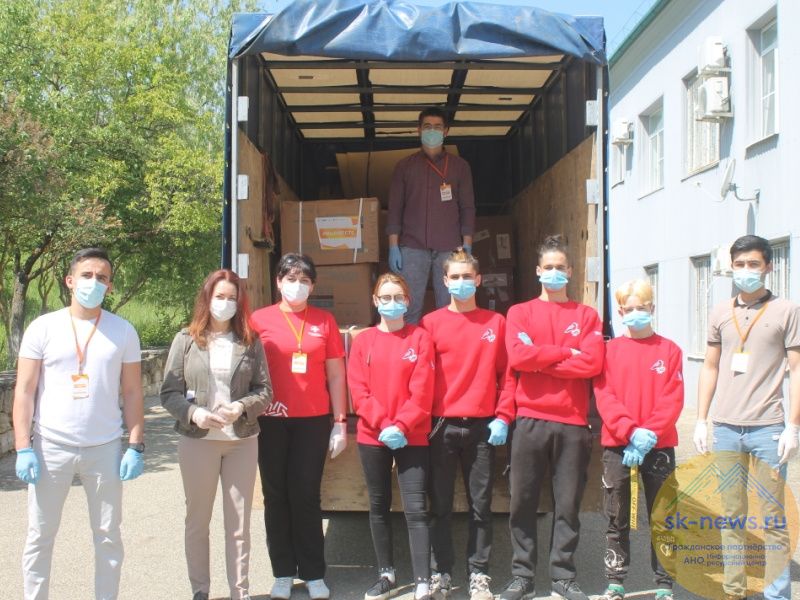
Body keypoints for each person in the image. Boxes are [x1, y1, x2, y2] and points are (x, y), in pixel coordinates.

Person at [13, 247, 144, 600]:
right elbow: (24, 390)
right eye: (87, 275)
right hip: (49, 447)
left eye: (102, 278)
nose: (93, 282)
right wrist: (23, 447)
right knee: (40, 535)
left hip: (104, 449)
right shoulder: (43, 328)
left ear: (110, 286)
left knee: (108, 536)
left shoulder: (123, 331)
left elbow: (133, 392)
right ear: (70, 280)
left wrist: (135, 445)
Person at [694, 235, 799, 600]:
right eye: (739, 264)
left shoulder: (787, 311)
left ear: (768, 266)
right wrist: (701, 419)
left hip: (768, 428)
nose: (746, 271)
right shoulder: (720, 312)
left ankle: (777, 595)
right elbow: (710, 366)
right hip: (725, 428)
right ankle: (734, 590)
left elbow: (797, 370)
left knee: (772, 519)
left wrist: (793, 426)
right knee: (731, 516)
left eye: (753, 264)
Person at [500, 235, 604, 600]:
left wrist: (540, 360)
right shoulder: (520, 313)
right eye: (549, 268)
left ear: (571, 272)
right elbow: (518, 357)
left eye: (561, 268)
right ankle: (522, 577)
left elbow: (592, 363)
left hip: (573, 423)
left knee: (568, 505)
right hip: (529, 419)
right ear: (538, 271)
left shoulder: (587, 315)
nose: (555, 273)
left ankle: (562, 577)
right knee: (522, 503)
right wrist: (565, 352)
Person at [160, 269, 272, 600]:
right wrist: (194, 413)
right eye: (219, 296)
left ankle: (240, 591)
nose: (225, 303)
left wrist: (241, 407)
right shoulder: (185, 340)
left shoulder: (250, 341)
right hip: (198, 441)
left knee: (238, 524)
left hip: (241, 441)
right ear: (207, 299)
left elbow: (265, 391)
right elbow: (169, 393)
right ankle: (200, 590)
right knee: (197, 520)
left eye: (232, 298)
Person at [249, 253, 348, 600]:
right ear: (278, 282)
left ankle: (313, 573)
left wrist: (340, 422)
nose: (297, 285)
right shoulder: (259, 320)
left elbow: (336, 374)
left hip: (312, 421)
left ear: (313, 286)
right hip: (270, 419)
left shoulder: (324, 321)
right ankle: (282, 573)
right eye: (290, 279)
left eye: (304, 280)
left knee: (305, 496)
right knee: (275, 497)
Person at [420, 249, 515, 600]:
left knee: (480, 506)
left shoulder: (496, 323)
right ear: (445, 281)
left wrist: (503, 416)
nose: (461, 282)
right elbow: (420, 378)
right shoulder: (430, 324)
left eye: (466, 277)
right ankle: (440, 573)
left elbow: (508, 375)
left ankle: (478, 574)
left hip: (482, 427)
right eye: (454, 277)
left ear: (478, 280)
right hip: (441, 426)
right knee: (439, 505)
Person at [593, 279, 683, 600]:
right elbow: (604, 396)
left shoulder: (670, 350)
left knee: (663, 515)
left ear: (652, 308)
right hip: (618, 446)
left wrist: (649, 434)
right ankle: (616, 580)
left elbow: (673, 398)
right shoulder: (608, 352)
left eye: (641, 308)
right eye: (628, 309)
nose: (635, 313)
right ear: (620, 312)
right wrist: (630, 431)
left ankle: (664, 583)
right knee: (616, 515)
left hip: (659, 446)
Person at [347, 272, 435, 600]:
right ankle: (386, 575)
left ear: (408, 301)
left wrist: (402, 425)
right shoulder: (363, 341)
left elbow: (423, 390)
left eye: (398, 297)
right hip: (373, 435)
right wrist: (384, 423)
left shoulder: (420, 339)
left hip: (413, 434)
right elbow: (359, 391)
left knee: (416, 508)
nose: (392, 303)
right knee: (378, 505)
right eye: (385, 297)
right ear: (375, 301)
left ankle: (423, 581)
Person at [387, 107, 476, 324]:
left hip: (449, 247)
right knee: (408, 305)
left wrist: (467, 245)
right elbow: (395, 208)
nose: (432, 131)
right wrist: (393, 247)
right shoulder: (404, 166)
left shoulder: (460, 167)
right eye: (427, 127)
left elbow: (467, 207)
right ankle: (409, 345)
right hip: (412, 247)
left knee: (450, 305)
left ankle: (449, 345)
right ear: (418, 130)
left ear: (446, 131)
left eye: (437, 127)